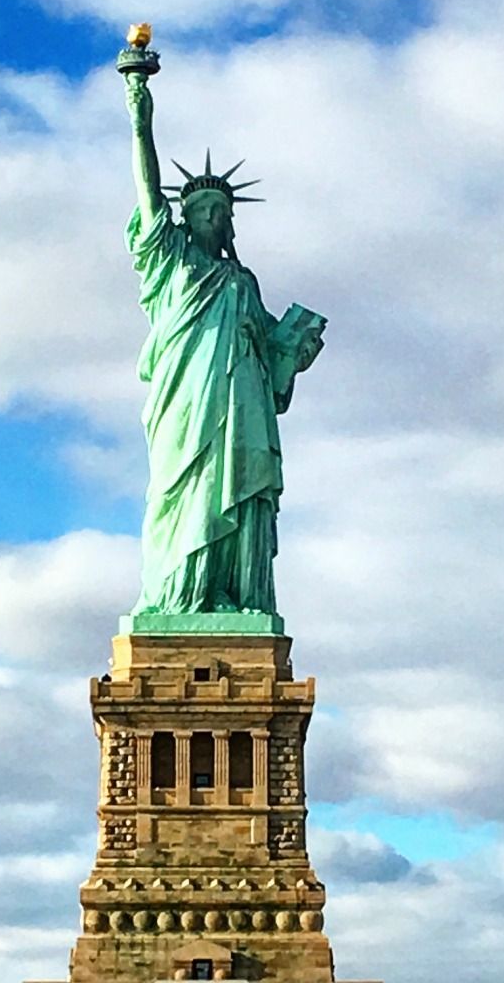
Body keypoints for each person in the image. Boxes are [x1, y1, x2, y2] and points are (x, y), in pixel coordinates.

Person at [124, 72, 323, 617]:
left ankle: (232, 594)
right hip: (186, 403)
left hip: (244, 408)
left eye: (222, 212)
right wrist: (141, 119)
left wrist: (295, 348)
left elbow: (274, 362)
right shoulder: (170, 264)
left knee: (235, 489)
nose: (213, 217)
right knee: (185, 491)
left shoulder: (243, 282)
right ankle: (181, 597)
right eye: (203, 210)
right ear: (184, 219)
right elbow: (147, 193)